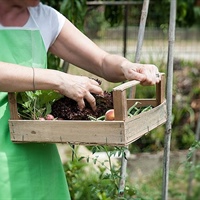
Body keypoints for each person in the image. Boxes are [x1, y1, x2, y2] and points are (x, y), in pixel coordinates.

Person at [0, 0, 161, 199]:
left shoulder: (43, 18)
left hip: (35, 154)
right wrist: (58, 80)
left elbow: (102, 62)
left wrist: (127, 67)